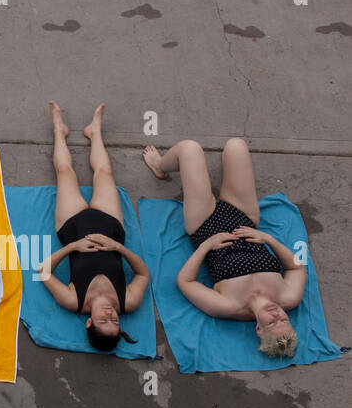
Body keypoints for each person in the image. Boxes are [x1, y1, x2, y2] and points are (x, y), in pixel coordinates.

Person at [143, 138, 304, 357]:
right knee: (236, 146)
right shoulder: (289, 298)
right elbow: (297, 267)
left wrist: (206, 245)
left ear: (259, 329)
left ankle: (160, 165)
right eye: (284, 319)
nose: (277, 314)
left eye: (273, 323)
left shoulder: (229, 306)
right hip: (244, 217)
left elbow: (185, 282)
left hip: (204, 224)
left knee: (189, 148)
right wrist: (269, 239)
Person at [39, 102, 149, 351]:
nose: (110, 313)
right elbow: (143, 274)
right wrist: (117, 247)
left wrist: (74, 246)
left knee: (65, 171)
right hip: (111, 229)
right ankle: (94, 132)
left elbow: (43, 272)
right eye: (115, 320)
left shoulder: (73, 300)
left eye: (103, 320)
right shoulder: (128, 302)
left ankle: (59, 129)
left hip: (73, 228)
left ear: (89, 322)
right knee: (105, 173)